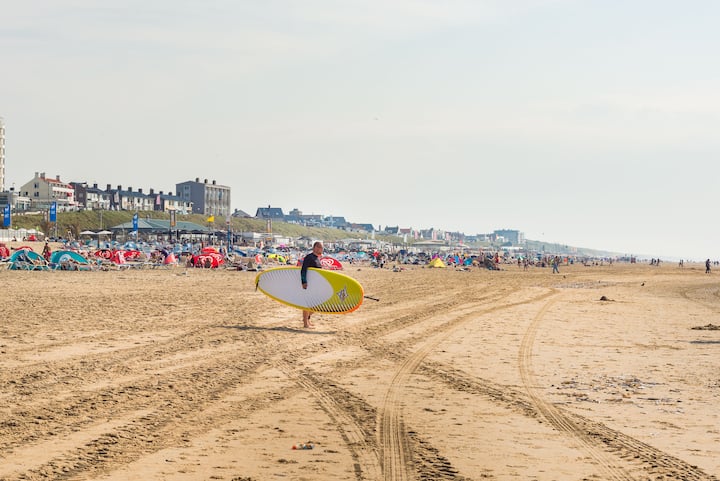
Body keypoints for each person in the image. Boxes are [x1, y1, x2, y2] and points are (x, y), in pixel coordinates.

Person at [300, 241, 324, 328]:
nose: (322, 249)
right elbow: (303, 270)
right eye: (321, 248)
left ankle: (307, 320)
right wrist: (304, 281)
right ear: (316, 247)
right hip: (308, 285)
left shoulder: (317, 258)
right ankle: (305, 323)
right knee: (307, 303)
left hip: (315, 285)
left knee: (316, 304)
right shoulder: (309, 257)